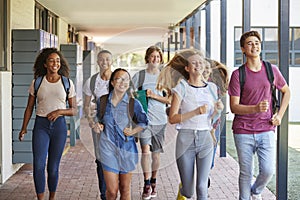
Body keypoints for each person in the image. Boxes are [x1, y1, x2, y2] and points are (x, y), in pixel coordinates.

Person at [228, 30, 290, 200]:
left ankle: (255, 191)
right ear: (242, 49)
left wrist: (279, 115)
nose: (254, 45)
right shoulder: (237, 75)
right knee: (246, 172)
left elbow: (287, 92)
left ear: (260, 46)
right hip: (243, 130)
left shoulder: (272, 70)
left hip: (266, 128)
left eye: (256, 42)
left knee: (268, 170)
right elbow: (234, 107)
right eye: (249, 43)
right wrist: (255, 108)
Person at [160, 49, 223, 200]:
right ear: (187, 68)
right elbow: (173, 118)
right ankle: (184, 188)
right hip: (185, 140)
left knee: (202, 187)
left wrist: (217, 111)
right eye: (194, 63)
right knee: (188, 192)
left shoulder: (212, 88)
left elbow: (212, 118)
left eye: (200, 62)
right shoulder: (181, 88)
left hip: (205, 138)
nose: (198, 65)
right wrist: (194, 112)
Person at [18, 47, 77, 200]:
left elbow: (74, 110)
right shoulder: (37, 82)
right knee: (38, 165)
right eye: (51, 60)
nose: (55, 63)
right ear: (45, 64)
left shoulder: (67, 83)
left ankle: (52, 197)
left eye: (57, 61)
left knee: (53, 167)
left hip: (59, 127)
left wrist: (59, 112)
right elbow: (29, 107)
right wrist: (24, 128)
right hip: (41, 126)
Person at [95, 68, 148, 200]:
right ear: (112, 82)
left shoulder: (133, 103)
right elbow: (97, 119)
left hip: (127, 150)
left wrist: (133, 131)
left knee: (125, 189)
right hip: (108, 150)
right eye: (119, 79)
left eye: (126, 79)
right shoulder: (102, 101)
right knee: (112, 191)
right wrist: (97, 125)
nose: (123, 82)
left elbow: (144, 122)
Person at [131, 46, 171, 199]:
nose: (155, 59)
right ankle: (146, 183)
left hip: (160, 121)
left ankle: (154, 180)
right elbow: (130, 95)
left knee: (155, 154)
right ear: (147, 58)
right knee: (145, 152)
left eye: (158, 57)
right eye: (152, 56)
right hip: (144, 121)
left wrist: (154, 96)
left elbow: (170, 100)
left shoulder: (164, 77)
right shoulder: (139, 76)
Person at [82, 49, 113, 200]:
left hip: (116, 126)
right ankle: (104, 194)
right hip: (99, 126)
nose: (104, 62)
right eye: (101, 59)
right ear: (97, 62)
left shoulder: (119, 79)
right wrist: (92, 122)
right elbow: (86, 106)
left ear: (111, 61)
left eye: (107, 59)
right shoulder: (92, 82)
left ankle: (115, 191)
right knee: (101, 160)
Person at [203, 59, 229, 185]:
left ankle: (204, 177)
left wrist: (212, 129)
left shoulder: (214, 87)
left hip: (213, 126)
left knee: (210, 160)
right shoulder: (191, 84)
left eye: (207, 68)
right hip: (198, 127)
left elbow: (217, 110)